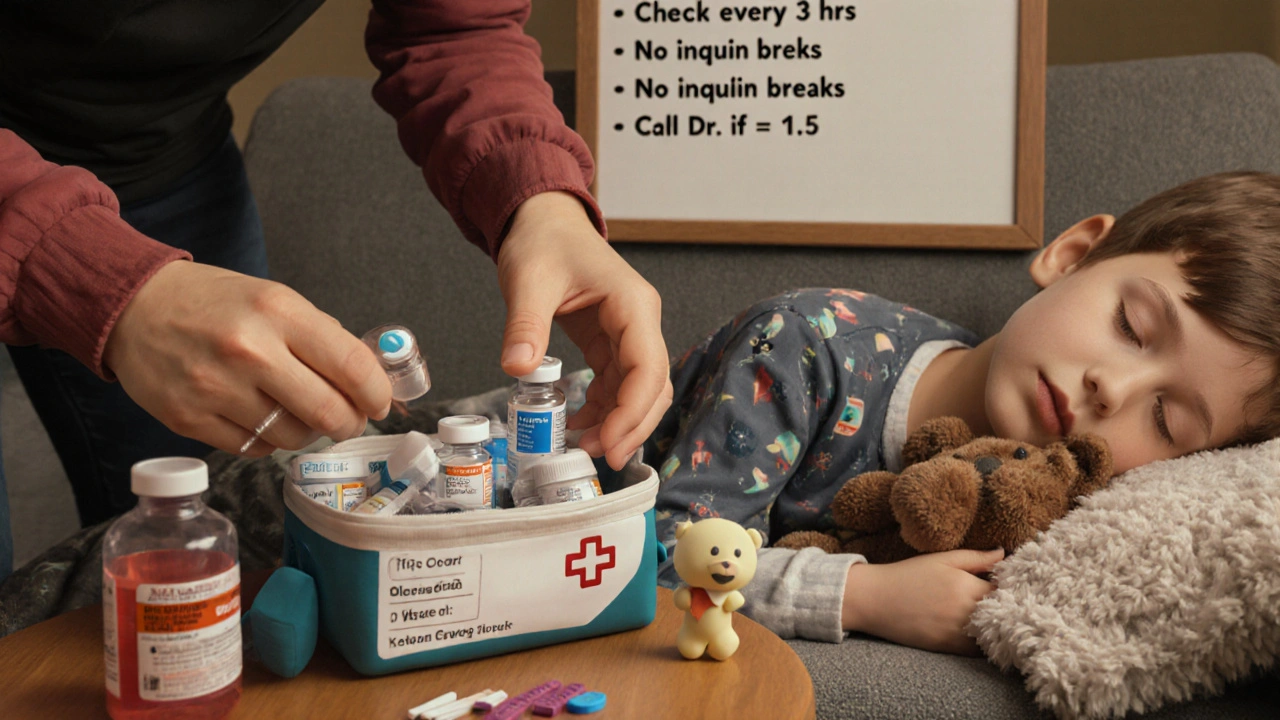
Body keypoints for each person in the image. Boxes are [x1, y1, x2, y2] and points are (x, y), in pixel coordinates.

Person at [0, 1, 671, 582]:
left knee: (177, 543)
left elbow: (455, 27)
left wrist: (542, 201)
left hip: (158, 157)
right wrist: (89, 277)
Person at [645, 171, 1280, 655]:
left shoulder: (1058, 501)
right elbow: (661, 560)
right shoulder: (805, 346)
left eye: (1167, 420)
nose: (1110, 389)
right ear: (1074, 254)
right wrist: (863, 597)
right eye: (1130, 324)